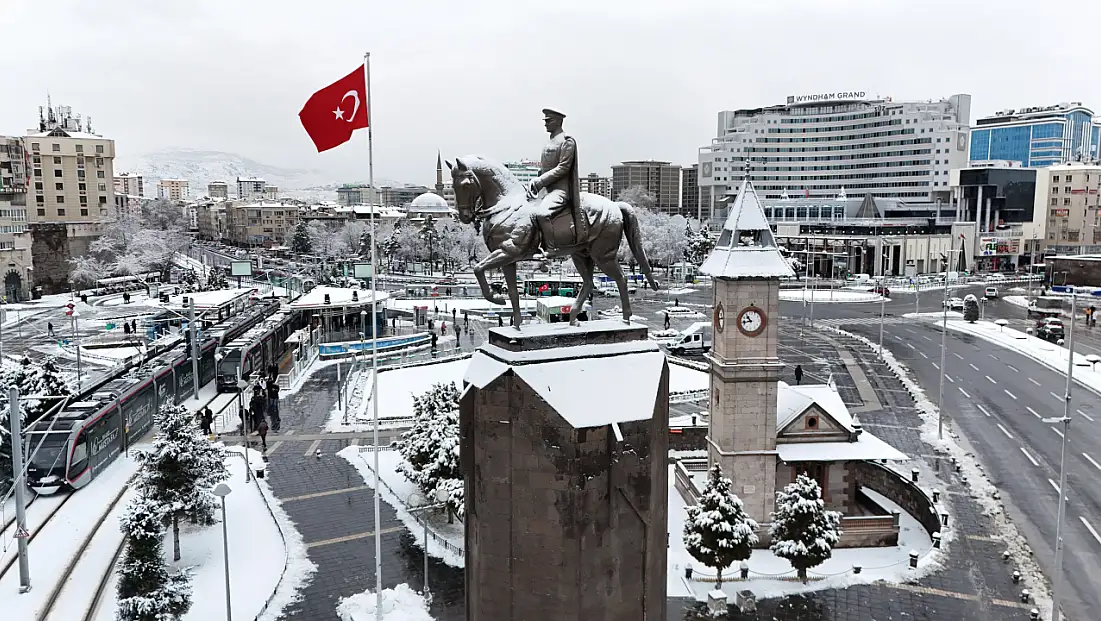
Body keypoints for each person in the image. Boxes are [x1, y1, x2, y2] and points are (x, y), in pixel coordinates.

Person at [529, 107, 587, 253]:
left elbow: (563, 168)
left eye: (549, 121)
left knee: (542, 214)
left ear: (558, 122)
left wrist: (541, 181)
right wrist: (535, 181)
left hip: (560, 191)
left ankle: (550, 248)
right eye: (545, 121)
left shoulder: (567, 141)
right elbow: (546, 168)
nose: (545, 124)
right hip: (546, 191)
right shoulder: (551, 141)